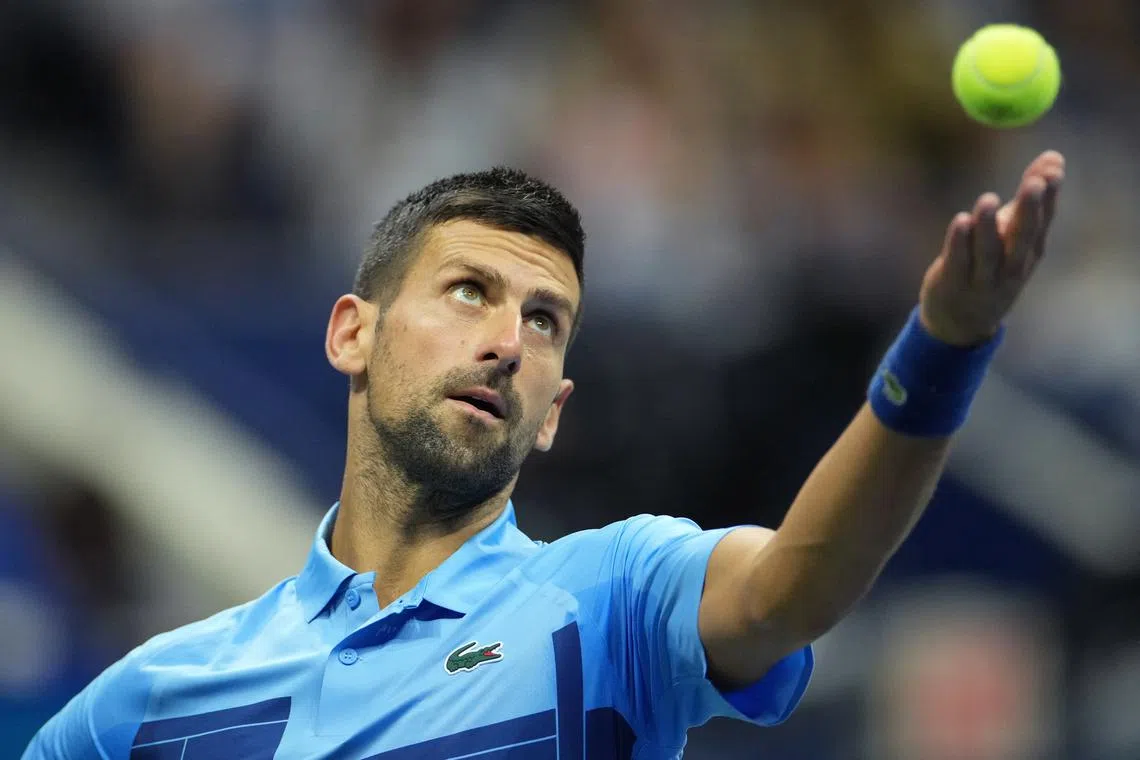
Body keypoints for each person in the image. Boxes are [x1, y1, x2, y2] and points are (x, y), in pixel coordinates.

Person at [23, 154, 1065, 759]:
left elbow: (797, 583)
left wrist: (946, 346)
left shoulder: (607, 598)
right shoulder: (154, 698)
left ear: (553, 409)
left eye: (546, 320)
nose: (507, 340)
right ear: (352, 333)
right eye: (469, 290)